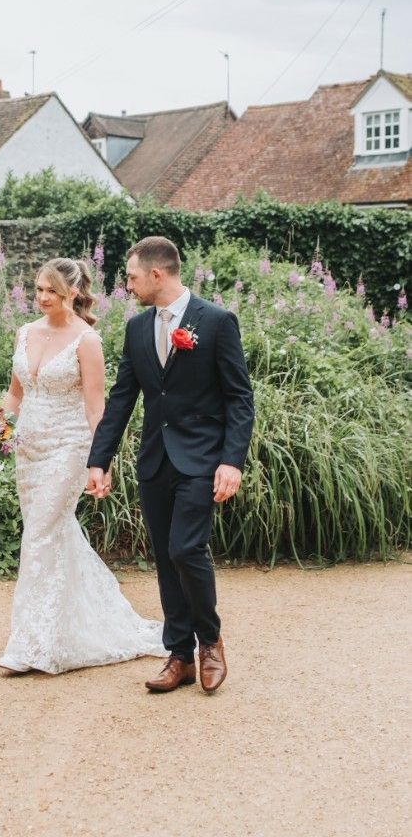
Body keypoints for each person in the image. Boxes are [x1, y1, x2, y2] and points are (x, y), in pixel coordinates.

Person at [87, 237, 254, 693]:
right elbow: (122, 399)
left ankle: (211, 643)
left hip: (201, 459)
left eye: (132, 276)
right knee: (165, 558)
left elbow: (240, 398)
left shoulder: (216, 322)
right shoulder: (138, 329)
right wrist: (99, 459)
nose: (128, 284)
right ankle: (178, 655)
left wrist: (231, 461)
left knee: (186, 549)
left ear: (157, 274)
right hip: (155, 461)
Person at [0, 257, 166, 674]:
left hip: (68, 449)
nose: (41, 298)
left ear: (72, 292)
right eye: (37, 289)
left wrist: (100, 463)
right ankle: (79, 625)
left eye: (50, 291)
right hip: (28, 451)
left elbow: (96, 409)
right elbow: (15, 396)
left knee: (38, 536)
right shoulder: (24, 333)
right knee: (52, 536)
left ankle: (31, 645)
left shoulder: (87, 341)